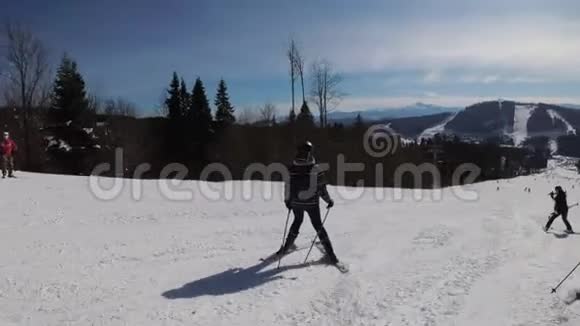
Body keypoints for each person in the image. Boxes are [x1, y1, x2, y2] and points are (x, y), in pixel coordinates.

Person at [277, 141, 339, 264]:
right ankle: (331, 255)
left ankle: (287, 247)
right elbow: (321, 188)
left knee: (297, 221)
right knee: (318, 226)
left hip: (295, 202)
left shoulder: (292, 169)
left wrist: (287, 201)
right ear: (309, 153)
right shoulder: (316, 169)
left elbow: (287, 186)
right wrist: (328, 201)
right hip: (312, 204)